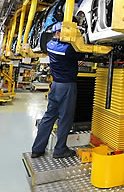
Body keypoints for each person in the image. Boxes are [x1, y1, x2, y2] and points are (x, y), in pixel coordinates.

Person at [31, 22, 83, 158]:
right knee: (65, 118)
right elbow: (82, 54)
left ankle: (37, 149)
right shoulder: (68, 49)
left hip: (55, 86)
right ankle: (60, 150)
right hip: (67, 86)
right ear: (59, 33)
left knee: (49, 117)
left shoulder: (50, 45)